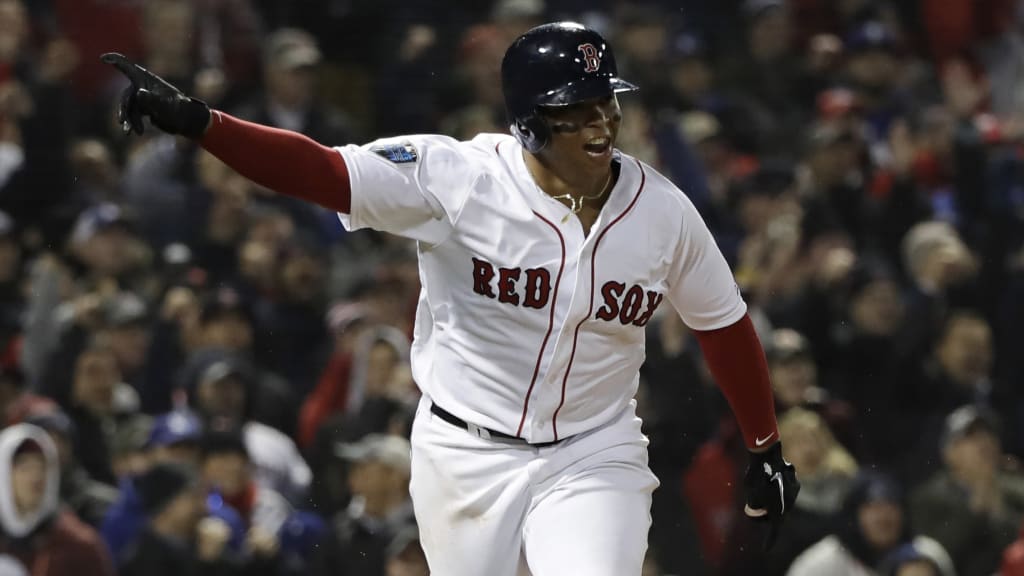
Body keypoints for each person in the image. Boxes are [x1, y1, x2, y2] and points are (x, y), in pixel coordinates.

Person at [102, 21, 798, 575]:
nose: (601, 124)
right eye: (575, 109)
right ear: (528, 120)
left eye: (606, 102)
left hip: (594, 448)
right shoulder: (456, 177)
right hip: (465, 451)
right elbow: (322, 171)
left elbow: (723, 324)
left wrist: (764, 443)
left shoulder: (662, 211)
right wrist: (203, 124)